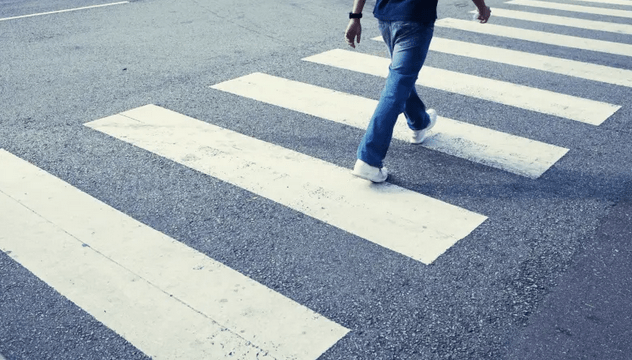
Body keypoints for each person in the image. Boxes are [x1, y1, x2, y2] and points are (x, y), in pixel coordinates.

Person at [345, 0, 491, 183]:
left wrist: (355, 17)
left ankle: (419, 122)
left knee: (402, 78)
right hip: (415, 19)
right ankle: (369, 159)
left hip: (386, 18)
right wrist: (482, 7)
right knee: (397, 86)